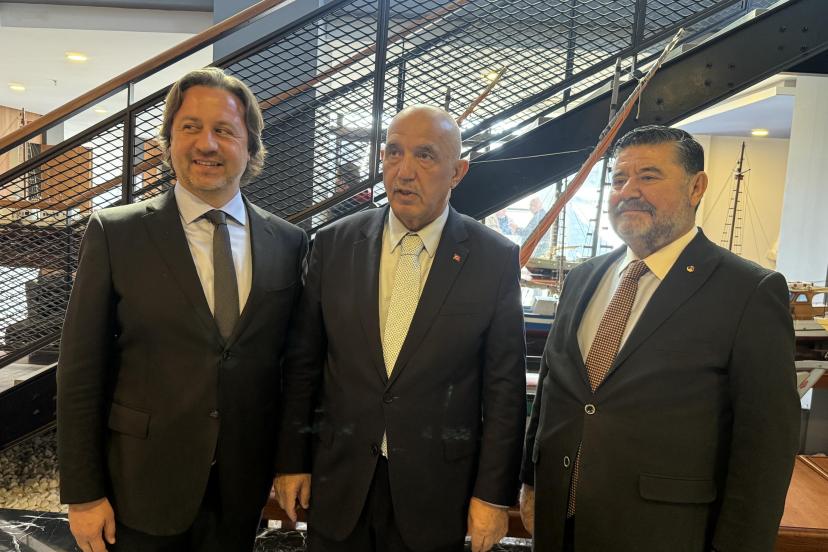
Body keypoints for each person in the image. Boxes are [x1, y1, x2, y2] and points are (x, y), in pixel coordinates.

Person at [57, 67, 308, 552]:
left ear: (250, 146)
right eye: (191, 127)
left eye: (224, 130)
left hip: (241, 487)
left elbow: (294, 366)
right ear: (169, 140)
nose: (206, 144)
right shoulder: (116, 233)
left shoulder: (289, 242)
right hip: (139, 484)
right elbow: (81, 372)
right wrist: (83, 494)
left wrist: (291, 459)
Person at [520, 125, 800, 552]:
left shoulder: (748, 292)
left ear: (696, 187)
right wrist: (530, 480)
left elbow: (765, 448)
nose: (628, 191)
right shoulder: (583, 278)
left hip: (663, 532)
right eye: (619, 179)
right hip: (559, 522)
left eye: (648, 176)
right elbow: (551, 390)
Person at [274, 105, 527, 552]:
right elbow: (303, 365)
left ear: (458, 172)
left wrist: (492, 494)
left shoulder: (493, 258)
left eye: (425, 155)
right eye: (393, 152)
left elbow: (504, 388)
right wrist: (292, 460)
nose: (404, 171)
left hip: (436, 488)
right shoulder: (334, 244)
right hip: (340, 478)